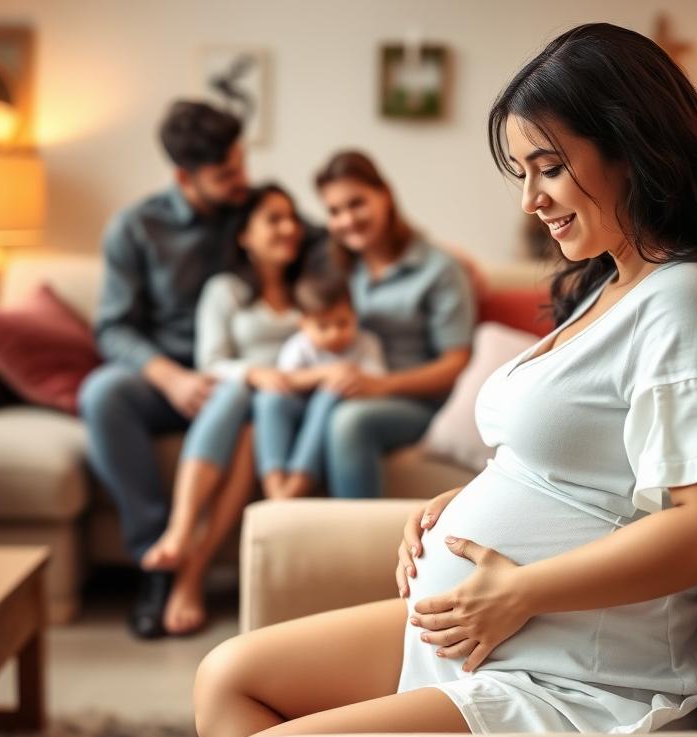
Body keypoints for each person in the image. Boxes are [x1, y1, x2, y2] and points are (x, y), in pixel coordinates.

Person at [191, 22, 697, 737]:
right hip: (494, 631)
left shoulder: (690, 301)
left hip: (568, 675)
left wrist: (523, 590)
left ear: (631, 149)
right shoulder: (613, 287)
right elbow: (586, 459)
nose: (530, 201)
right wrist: (464, 503)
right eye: (522, 174)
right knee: (228, 677)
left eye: (549, 167)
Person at [79, 101, 323, 639]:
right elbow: (113, 328)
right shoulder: (137, 228)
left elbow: (330, 236)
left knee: (237, 396)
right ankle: (156, 563)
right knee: (102, 394)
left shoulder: (249, 209)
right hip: (165, 378)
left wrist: (429, 252)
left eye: (241, 163)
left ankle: (183, 558)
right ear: (183, 177)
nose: (242, 180)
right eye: (226, 174)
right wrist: (171, 377)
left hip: (235, 381)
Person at [305, 150, 477, 498]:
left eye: (357, 203)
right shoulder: (334, 267)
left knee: (349, 421)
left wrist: (379, 386)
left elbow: (456, 362)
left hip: (417, 402)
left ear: (384, 195)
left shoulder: (439, 268)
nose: (347, 220)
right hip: (341, 390)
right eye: (334, 211)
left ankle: (353, 548)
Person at [254, 273, 387, 499]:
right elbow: (285, 379)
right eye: (323, 326)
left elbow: (375, 383)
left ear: (355, 316)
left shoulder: (367, 343)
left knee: (329, 393)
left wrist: (342, 383)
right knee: (268, 400)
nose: (335, 333)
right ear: (303, 324)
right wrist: (326, 374)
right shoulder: (299, 345)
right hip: (299, 409)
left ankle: (296, 484)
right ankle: (275, 486)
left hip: (333, 411)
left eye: (343, 323)